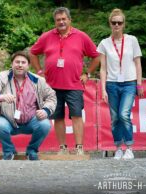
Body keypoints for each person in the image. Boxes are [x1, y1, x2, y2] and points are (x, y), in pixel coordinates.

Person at [29, 7, 100, 155]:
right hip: (52, 85)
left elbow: (96, 56)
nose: (61, 22)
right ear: (55, 22)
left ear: (69, 20)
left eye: (63, 19)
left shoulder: (81, 36)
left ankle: (79, 148)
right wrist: (39, 71)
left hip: (74, 84)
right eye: (58, 20)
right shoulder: (47, 36)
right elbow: (33, 53)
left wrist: (87, 73)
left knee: (76, 115)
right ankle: (62, 148)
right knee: (58, 117)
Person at [0, 51, 56, 160]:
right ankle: (9, 151)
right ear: (12, 64)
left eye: (23, 62)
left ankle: (32, 151)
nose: (20, 65)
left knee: (45, 125)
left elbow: (52, 97)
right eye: (17, 62)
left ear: (28, 65)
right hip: (8, 120)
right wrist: (0, 97)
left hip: (32, 120)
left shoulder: (38, 80)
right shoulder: (2, 77)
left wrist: (46, 110)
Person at [97, 9, 144, 160]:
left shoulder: (132, 40)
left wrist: (139, 84)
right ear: (110, 24)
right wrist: (103, 88)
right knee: (115, 117)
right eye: (114, 22)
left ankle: (129, 147)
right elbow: (103, 68)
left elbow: (138, 63)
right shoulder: (104, 43)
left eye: (120, 22)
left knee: (124, 114)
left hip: (129, 83)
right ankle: (118, 147)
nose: (116, 25)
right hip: (112, 83)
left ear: (124, 24)